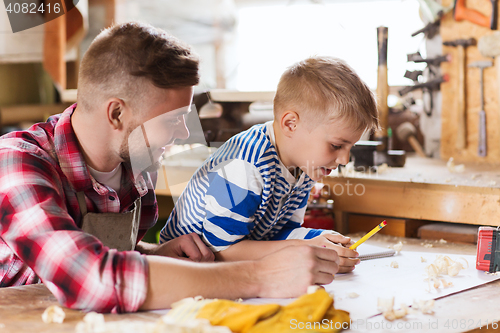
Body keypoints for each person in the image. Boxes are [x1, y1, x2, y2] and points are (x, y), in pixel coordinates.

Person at [0, 22, 343, 313]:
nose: (183, 133)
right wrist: (260, 276)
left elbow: (99, 248)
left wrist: (154, 252)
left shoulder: (137, 159)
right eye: (175, 120)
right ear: (116, 113)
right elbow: (88, 278)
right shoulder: (17, 163)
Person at [160, 56, 379, 271]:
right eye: (336, 145)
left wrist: (322, 241)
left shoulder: (304, 166)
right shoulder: (245, 164)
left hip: (228, 264)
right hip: (185, 267)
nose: (344, 160)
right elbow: (222, 250)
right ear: (290, 124)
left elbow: (278, 235)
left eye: (351, 147)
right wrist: (303, 248)